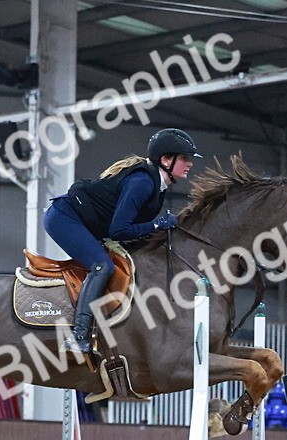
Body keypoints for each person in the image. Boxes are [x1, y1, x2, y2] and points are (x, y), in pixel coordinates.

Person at [43, 128, 202, 355]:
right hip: (63, 218)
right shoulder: (143, 183)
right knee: (102, 266)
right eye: (185, 158)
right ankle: (77, 336)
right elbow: (119, 230)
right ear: (166, 159)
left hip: (83, 221)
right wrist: (157, 225)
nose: (190, 164)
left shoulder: (157, 186)